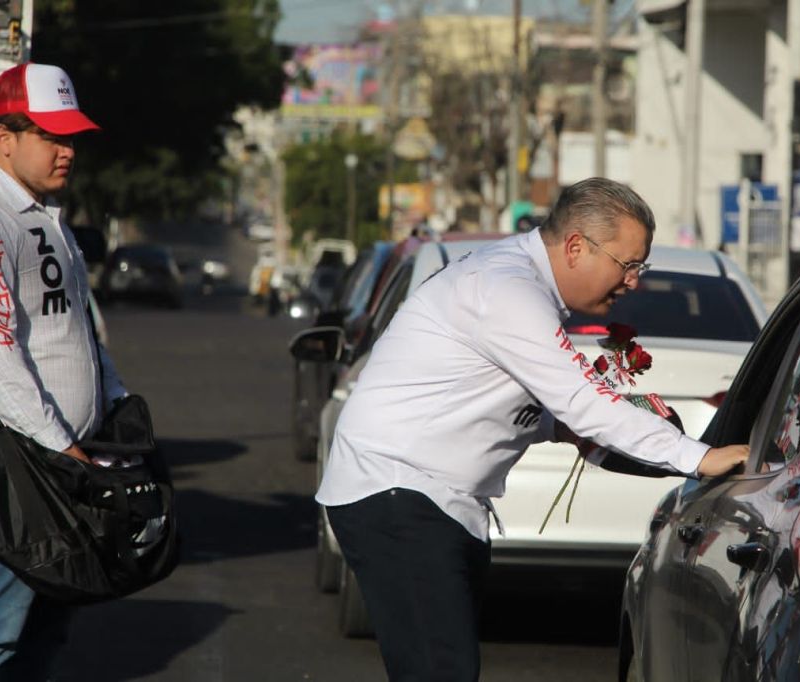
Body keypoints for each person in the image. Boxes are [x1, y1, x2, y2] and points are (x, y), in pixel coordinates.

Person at [317, 177, 750, 681]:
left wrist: (566, 431)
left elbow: (505, 397)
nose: (634, 281)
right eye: (628, 264)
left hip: (428, 498)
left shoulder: (516, 283)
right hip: (398, 489)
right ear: (576, 247)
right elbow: (581, 399)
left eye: (640, 267)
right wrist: (698, 457)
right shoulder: (508, 288)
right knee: (440, 671)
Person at [0, 62, 128, 678]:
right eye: (51, 136)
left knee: (46, 627)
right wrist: (60, 447)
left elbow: (77, 331)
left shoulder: (48, 218)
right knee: (5, 630)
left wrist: (119, 404)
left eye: (71, 137)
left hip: (61, 465)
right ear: (4, 139)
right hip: (21, 464)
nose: (67, 150)